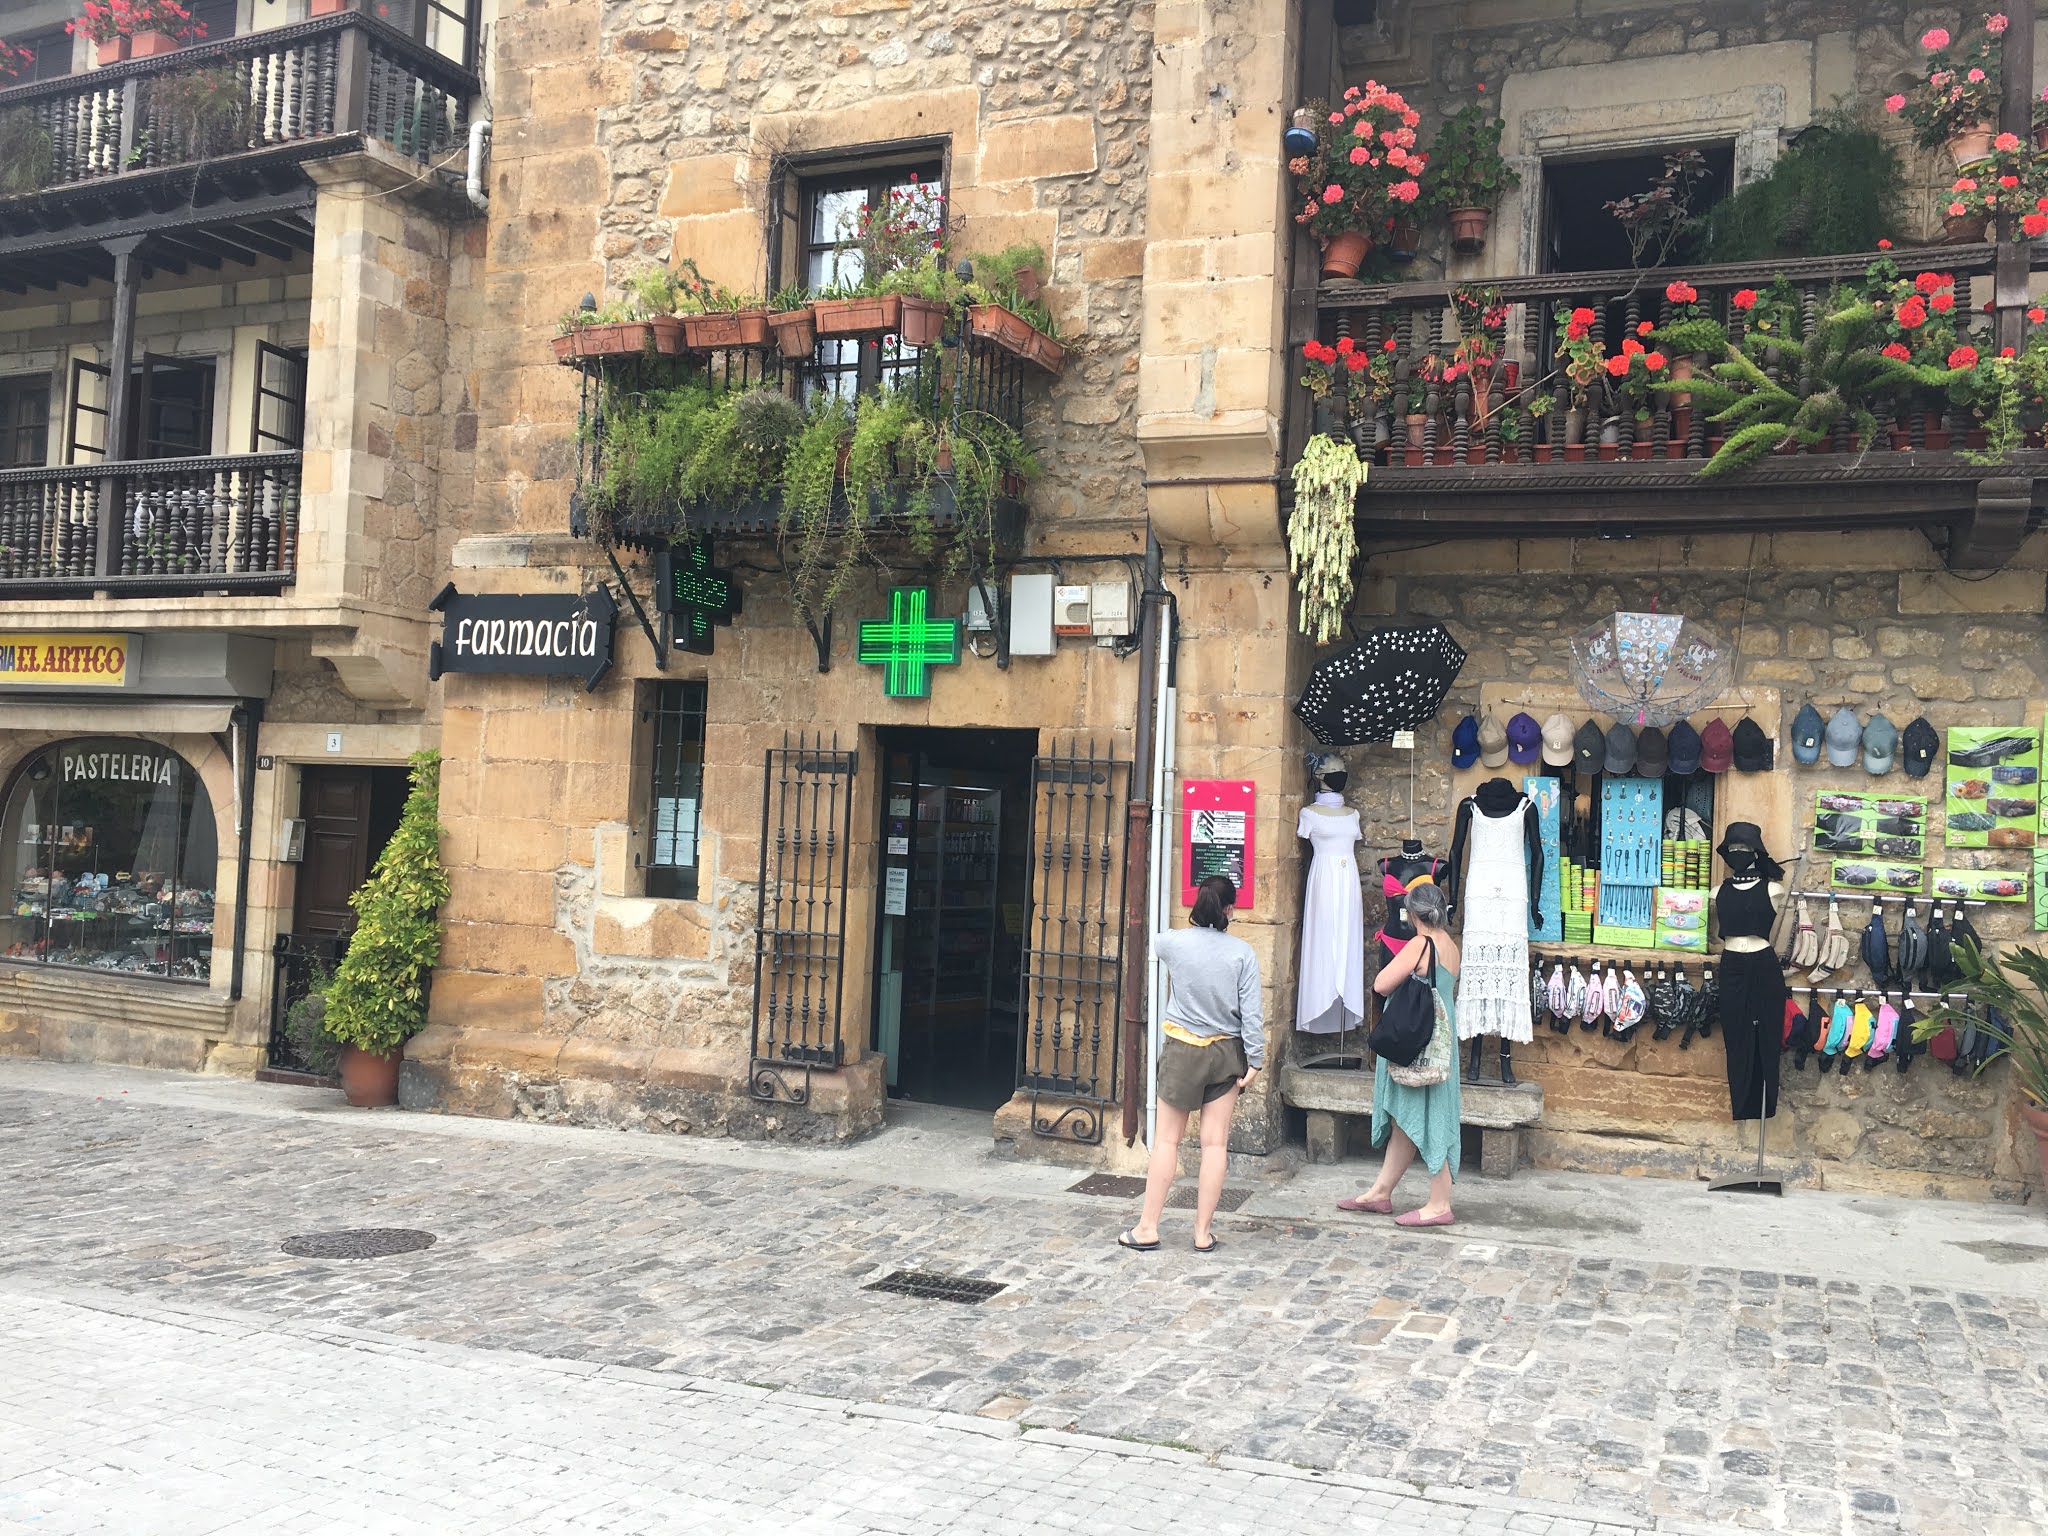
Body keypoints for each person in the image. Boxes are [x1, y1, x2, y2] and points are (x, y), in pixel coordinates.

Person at [1119, 874, 1264, 1255]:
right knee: (1215, 1144)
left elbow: (1158, 938)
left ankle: (1148, 1227)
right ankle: (1202, 1233)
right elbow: (1252, 1014)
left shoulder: (1175, 944)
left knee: (1168, 1140)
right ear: (1230, 909)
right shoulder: (1243, 953)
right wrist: (1256, 1059)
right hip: (1226, 1052)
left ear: (1198, 905)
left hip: (1183, 1049)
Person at [1337, 881, 1461, 1227]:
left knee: (1434, 1118)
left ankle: (1440, 1204)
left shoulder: (1421, 943)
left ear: (1413, 914)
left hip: (1417, 1043)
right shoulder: (1450, 946)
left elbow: (1382, 984)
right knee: (1408, 1119)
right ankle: (1381, 1192)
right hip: (1439, 1042)